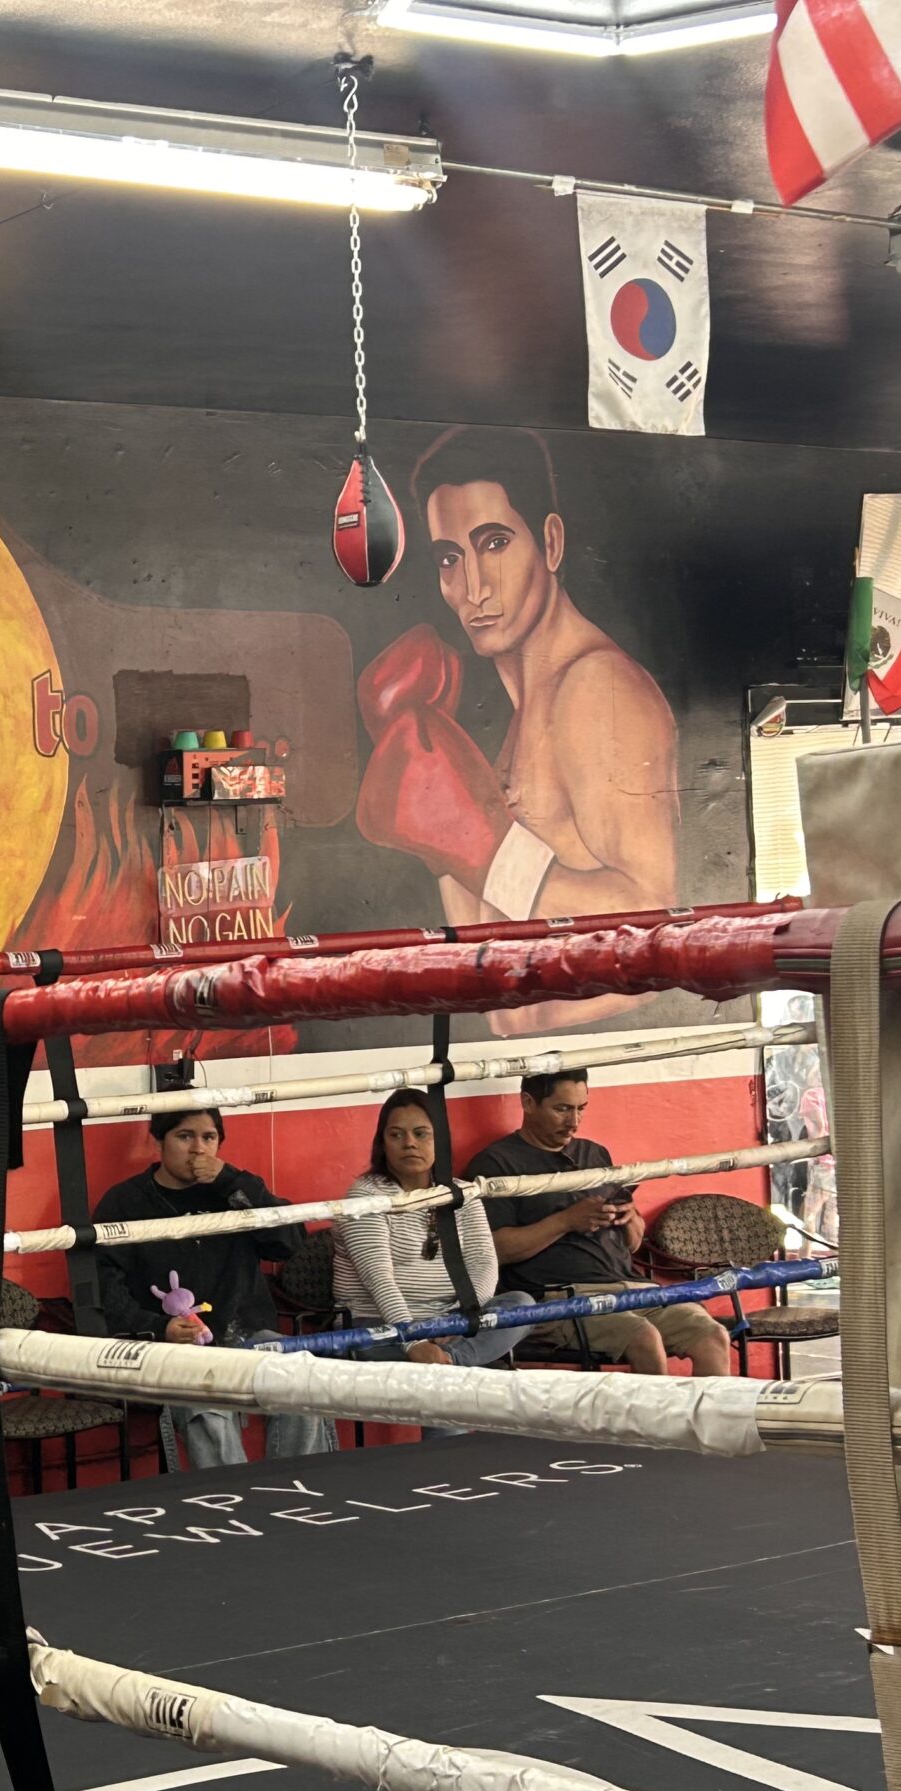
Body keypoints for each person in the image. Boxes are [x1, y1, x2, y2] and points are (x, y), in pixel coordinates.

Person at [354, 426, 680, 1035]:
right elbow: (493, 961)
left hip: (588, 1061)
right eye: (450, 559)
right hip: (526, 1057)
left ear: (550, 543)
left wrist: (481, 846)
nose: (473, 588)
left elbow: (649, 924)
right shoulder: (525, 716)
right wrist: (443, 840)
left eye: (495, 543)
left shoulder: (596, 688)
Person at [90, 1109, 333, 1468]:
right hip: (174, 1349)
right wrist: (159, 1328)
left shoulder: (234, 1191)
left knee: (302, 1380)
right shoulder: (125, 1202)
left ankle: (298, 1490)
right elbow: (103, 1289)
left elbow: (288, 1242)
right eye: (185, 1136)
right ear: (158, 1142)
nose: (198, 1149)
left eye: (209, 1137)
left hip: (248, 1335)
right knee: (206, 1407)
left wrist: (232, 1180)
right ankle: (231, 1498)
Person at [468, 1070, 732, 1376]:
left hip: (633, 1288)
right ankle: (656, 1410)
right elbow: (496, 1251)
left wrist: (629, 1217)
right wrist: (566, 1221)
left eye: (581, 1108)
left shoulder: (594, 1154)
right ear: (528, 1103)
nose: (574, 1121)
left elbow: (633, 1243)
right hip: (562, 1297)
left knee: (713, 1336)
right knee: (644, 1338)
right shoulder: (496, 1163)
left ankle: (702, 1411)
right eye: (562, 1109)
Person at [330, 1089, 537, 1372]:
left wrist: (461, 1320)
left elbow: (483, 1264)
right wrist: (413, 1342)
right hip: (380, 1326)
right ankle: (448, 1367)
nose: (409, 1143)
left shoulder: (463, 1193)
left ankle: (447, 1362)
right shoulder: (366, 1196)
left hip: (449, 1323)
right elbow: (379, 1280)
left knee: (522, 1305)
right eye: (396, 1135)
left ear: (440, 1139)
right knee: (368, 1344)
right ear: (382, 1144)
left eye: (421, 1134)